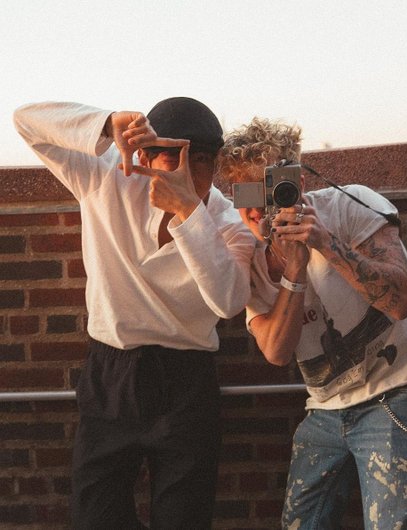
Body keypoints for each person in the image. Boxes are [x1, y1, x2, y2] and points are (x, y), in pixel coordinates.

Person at [14, 98, 256, 530]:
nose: (188, 172)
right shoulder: (107, 177)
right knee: (94, 516)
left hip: (187, 380)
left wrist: (189, 212)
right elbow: (26, 121)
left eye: (201, 160)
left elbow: (228, 301)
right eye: (174, 157)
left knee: (183, 519)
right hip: (112, 370)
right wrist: (107, 123)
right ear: (144, 156)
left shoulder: (226, 221)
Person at [217, 117, 407, 530]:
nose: (255, 209)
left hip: (401, 386)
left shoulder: (348, 205)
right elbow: (276, 351)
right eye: (244, 194)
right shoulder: (249, 254)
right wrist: (294, 268)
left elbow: (400, 302)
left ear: (296, 183)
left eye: (267, 190)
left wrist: (323, 242)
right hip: (327, 406)